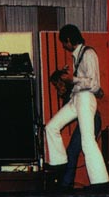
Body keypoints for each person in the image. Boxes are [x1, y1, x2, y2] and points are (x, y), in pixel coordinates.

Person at [45, 24, 108, 193]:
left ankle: (100, 182)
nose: (63, 46)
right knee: (51, 127)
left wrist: (73, 79)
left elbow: (94, 84)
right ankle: (59, 164)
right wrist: (68, 79)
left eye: (63, 43)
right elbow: (80, 83)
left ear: (68, 40)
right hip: (77, 98)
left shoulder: (89, 53)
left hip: (86, 98)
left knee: (87, 141)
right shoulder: (77, 56)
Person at [49, 68, 102, 191]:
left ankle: (66, 185)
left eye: (57, 85)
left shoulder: (74, 90)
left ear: (61, 82)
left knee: (73, 151)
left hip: (93, 119)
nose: (57, 88)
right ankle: (67, 183)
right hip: (94, 119)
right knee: (73, 150)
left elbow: (97, 91)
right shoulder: (71, 92)